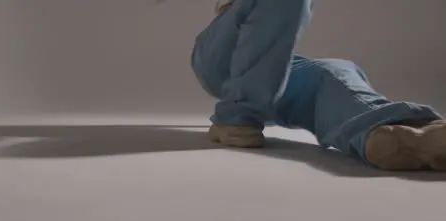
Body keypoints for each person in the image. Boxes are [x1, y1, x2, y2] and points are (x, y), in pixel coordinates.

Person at [190, 0, 446, 171]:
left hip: (274, 70)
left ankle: (397, 131)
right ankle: (237, 115)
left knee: (334, 72)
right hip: (223, 54)